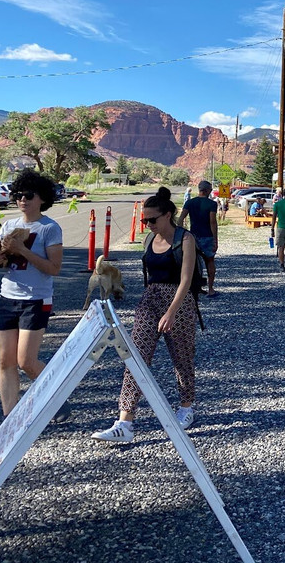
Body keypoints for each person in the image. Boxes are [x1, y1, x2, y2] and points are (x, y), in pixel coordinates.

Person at [92, 187, 198, 443]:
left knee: (182, 357)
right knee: (135, 356)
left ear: (168, 214)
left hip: (179, 302)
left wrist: (172, 311)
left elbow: (186, 279)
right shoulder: (148, 240)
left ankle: (186, 406)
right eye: (145, 220)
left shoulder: (185, 239)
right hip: (150, 299)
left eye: (153, 219)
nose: (148, 224)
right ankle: (124, 422)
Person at [0, 170, 67, 443]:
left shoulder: (50, 228)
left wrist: (24, 249)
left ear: (42, 198)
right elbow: (4, 263)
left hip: (36, 300)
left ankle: (57, 396)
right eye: (18, 195)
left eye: (29, 196)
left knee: (25, 362)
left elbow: (54, 269)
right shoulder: (8, 225)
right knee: (5, 361)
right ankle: (10, 423)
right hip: (8, 297)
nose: (22, 200)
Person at [178, 180, 219, 297]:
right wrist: (215, 239)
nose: (211, 192)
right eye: (210, 190)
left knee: (191, 263)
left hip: (193, 236)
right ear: (206, 191)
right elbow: (212, 222)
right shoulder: (212, 204)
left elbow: (180, 219)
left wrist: (180, 233)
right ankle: (211, 289)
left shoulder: (190, 203)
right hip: (207, 236)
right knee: (210, 261)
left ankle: (193, 287)